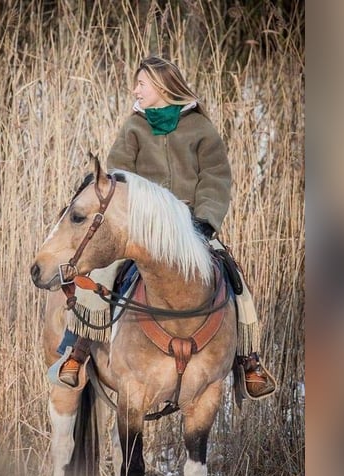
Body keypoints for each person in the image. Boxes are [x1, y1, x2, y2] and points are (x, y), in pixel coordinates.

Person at [55, 56, 275, 399]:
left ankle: (249, 359)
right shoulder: (134, 128)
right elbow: (118, 178)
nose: (136, 90)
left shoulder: (201, 129)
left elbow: (215, 178)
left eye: (141, 84)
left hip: (192, 227)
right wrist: (132, 220)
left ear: (161, 86)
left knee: (234, 276)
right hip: (141, 228)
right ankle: (79, 349)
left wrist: (205, 222)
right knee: (100, 271)